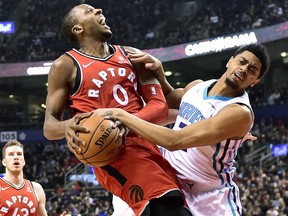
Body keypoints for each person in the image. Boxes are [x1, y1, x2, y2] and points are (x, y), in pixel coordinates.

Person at [43, 3, 191, 216]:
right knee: (168, 208)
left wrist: (124, 121)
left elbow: (159, 107)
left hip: (149, 142)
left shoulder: (132, 55)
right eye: (89, 11)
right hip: (110, 150)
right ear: (78, 29)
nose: (99, 11)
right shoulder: (65, 65)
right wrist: (69, 126)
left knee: (178, 203)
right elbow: (49, 126)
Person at [93, 43, 271, 215]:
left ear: (255, 81)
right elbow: (170, 99)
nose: (244, 69)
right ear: (230, 61)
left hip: (207, 193)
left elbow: (174, 141)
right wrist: (159, 73)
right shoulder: (197, 86)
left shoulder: (238, 112)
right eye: (242, 62)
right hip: (170, 178)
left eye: (252, 70)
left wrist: (122, 116)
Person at [0, 140, 71, 216]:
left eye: (19, 154)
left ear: (24, 161)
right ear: (4, 162)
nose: (16, 157)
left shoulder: (36, 188)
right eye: (11, 154)